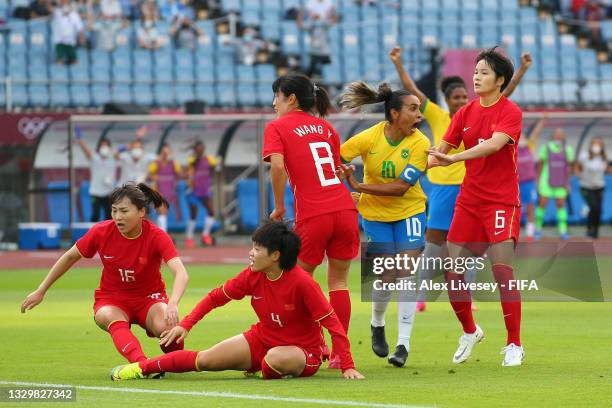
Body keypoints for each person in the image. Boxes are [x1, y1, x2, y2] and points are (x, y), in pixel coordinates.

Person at [110, 221, 364, 381]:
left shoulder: (303, 283)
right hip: (262, 340)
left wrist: (347, 366)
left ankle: (262, 367)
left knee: (275, 359)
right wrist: (185, 325)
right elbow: (215, 298)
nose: (250, 253)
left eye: (257, 248)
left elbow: (332, 324)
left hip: (302, 353)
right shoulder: (252, 276)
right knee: (205, 360)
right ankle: (140, 368)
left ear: (276, 255)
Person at [389, 47, 532, 311]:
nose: (461, 99)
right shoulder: (440, 115)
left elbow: (503, 99)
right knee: (434, 244)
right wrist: (398, 63)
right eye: (456, 97)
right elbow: (412, 91)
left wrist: (521, 70)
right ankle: (423, 294)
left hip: (476, 191)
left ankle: (471, 295)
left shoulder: (494, 110)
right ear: (446, 100)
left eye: (463, 96)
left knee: (477, 250)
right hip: (445, 190)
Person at [427, 46, 525, 367]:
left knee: (502, 271)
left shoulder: (510, 111)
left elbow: (493, 145)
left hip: (501, 201)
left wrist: (453, 158)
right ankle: (470, 331)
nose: (477, 77)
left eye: (484, 72)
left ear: (500, 80)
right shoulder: (465, 113)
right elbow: (439, 152)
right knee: (451, 271)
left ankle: (514, 344)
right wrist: (427, 160)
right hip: (468, 201)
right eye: (476, 72)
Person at [21, 183, 190, 364]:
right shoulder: (101, 232)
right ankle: (142, 365)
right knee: (109, 316)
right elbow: (70, 257)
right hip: (112, 299)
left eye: (124, 211)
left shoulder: (157, 236)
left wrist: (172, 303)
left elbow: (181, 272)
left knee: (168, 325)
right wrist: (41, 290)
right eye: (114, 211)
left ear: (141, 212)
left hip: (149, 298)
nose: (118, 217)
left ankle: (176, 361)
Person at [262, 73, 359, 369]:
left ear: (291, 98)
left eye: (276, 96)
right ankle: (340, 352)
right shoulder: (327, 128)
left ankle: (312, 345)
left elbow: (277, 168)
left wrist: (278, 207)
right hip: (345, 211)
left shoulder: (276, 127)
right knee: (339, 281)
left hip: (314, 214)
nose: (273, 103)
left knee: (299, 282)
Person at [337, 81, 429, 368]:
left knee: (406, 272)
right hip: (375, 215)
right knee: (387, 275)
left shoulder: (421, 143)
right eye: (413, 109)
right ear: (393, 114)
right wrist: (344, 183)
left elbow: (401, 187)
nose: (419, 115)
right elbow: (336, 159)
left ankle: (403, 344)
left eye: (419, 109)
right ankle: (377, 323)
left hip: (410, 211)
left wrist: (358, 185)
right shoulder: (368, 138)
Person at [534, 128, 575, 241]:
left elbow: (570, 167)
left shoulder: (568, 149)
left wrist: (568, 181)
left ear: (563, 136)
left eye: (561, 134)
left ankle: (563, 231)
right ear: (553, 135)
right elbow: (541, 165)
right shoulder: (545, 148)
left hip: (561, 182)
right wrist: (538, 180)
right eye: (556, 134)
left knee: (561, 205)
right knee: (542, 204)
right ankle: (537, 230)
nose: (558, 136)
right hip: (546, 181)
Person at [75, 128, 116, 222]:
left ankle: (108, 236)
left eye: (106, 146)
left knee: (109, 216)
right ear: (99, 148)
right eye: (102, 146)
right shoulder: (95, 158)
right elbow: (87, 151)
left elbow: (123, 151)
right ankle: (93, 235)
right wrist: (80, 139)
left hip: (108, 193)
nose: (104, 148)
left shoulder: (113, 158)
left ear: (109, 148)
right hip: (96, 193)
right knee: (95, 215)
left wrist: (138, 138)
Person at [517, 115, 547, 241]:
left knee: (530, 208)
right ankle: (512, 235)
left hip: (529, 183)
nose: (522, 139)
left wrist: (543, 119)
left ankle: (530, 235)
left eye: (523, 136)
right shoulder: (512, 150)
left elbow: (536, 133)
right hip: (515, 184)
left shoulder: (530, 146)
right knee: (515, 211)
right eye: (520, 137)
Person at [576, 137, 610, 239]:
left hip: (599, 186)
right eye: (595, 144)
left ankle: (596, 230)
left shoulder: (604, 157)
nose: (596, 146)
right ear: (591, 145)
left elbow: (606, 170)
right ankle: (589, 229)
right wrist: (579, 174)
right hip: (586, 186)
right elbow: (577, 166)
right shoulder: (584, 156)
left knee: (599, 209)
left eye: (599, 144)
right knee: (593, 207)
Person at [185, 140, 217, 247]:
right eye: (198, 148)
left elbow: (214, 168)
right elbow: (193, 163)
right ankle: (189, 237)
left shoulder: (209, 159)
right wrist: (195, 155)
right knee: (193, 214)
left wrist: (217, 166)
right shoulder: (191, 159)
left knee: (211, 211)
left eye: (202, 148)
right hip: (193, 190)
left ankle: (205, 234)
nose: (201, 150)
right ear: (195, 149)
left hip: (205, 190)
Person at [148, 143, 183, 232]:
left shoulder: (174, 163)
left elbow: (180, 174)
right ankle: (163, 234)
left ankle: (160, 232)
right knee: (163, 212)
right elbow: (149, 175)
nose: (166, 154)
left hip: (170, 192)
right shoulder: (156, 163)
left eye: (167, 152)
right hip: (158, 191)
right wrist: (154, 178)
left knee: (163, 214)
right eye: (164, 152)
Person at [52, 0, 86, 65]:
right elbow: (50, 10)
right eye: (63, 3)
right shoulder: (57, 12)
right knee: (59, 60)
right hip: (59, 41)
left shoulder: (74, 15)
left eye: (66, 4)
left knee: (74, 60)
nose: (65, 6)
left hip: (70, 41)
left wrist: (82, 38)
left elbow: (80, 28)